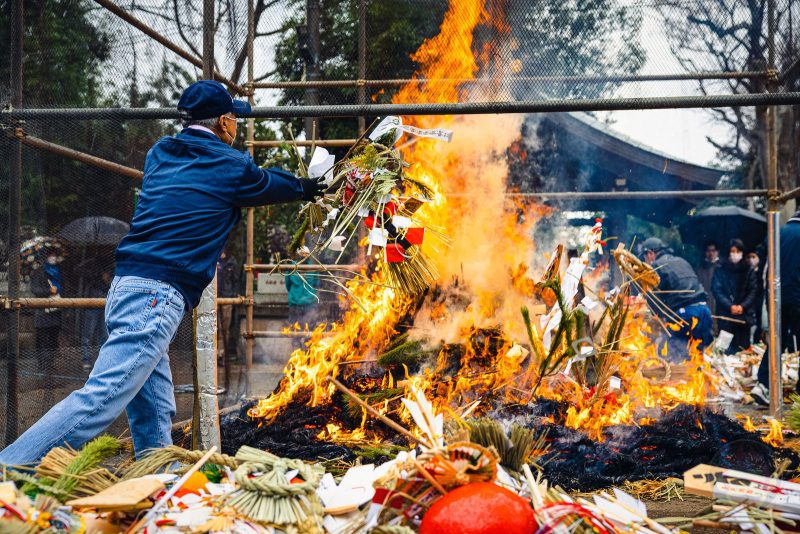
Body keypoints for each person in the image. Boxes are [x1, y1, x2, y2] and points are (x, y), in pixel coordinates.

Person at [0, 80, 325, 465]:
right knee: (102, 396)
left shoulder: (160, 153)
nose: (237, 126)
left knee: (154, 406)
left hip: (127, 286)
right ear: (223, 121)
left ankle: (161, 481)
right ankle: (11, 469)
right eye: (235, 118)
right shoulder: (230, 165)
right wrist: (311, 187)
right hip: (157, 294)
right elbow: (270, 184)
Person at [751, 210, 800, 405]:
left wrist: (768, 299)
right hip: (797, 297)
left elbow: (766, 269)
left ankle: (763, 385)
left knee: (775, 342)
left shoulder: (777, 233)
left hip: (776, 298)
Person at [641, 237, 713, 361]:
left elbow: (653, 302)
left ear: (650, 253)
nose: (646, 261)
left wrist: (651, 320)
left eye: (645, 257)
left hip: (685, 316)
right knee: (697, 355)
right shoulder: (681, 260)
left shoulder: (657, 267)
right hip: (704, 311)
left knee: (672, 356)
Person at [711, 239, 758, 355]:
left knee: (743, 351)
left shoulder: (748, 270)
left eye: (738, 251)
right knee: (722, 350)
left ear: (742, 252)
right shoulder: (721, 270)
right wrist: (729, 306)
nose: (735, 254)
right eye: (732, 251)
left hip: (743, 317)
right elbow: (717, 290)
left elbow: (753, 290)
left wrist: (742, 306)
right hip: (726, 315)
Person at [30, 251, 63, 377]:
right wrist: (48, 290)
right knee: (43, 340)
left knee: (53, 340)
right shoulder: (38, 272)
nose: (53, 257)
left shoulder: (58, 272)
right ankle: (43, 366)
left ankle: (49, 365)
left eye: (54, 255)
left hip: (56, 311)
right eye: (50, 255)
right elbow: (34, 289)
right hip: (42, 312)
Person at [80, 268, 112, 371]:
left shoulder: (109, 283)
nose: (107, 276)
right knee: (88, 336)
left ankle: (103, 361)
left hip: (103, 310)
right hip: (92, 311)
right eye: (106, 274)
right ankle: (86, 360)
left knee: (104, 336)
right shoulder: (94, 282)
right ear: (102, 273)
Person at [217, 248, 240, 361]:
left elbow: (236, 280)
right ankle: (212, 354)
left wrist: (234, 296)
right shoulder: (213, 258)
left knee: (224, 329)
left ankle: (221, 354)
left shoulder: (231, 262)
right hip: (212, 298)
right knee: (213, 329)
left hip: (226, 298)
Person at [696, 241, 719, 317]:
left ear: (717, 252)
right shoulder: (699, 269)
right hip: (705, 303)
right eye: (708, 251)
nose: (711, 253)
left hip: (719, 304)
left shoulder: (722, 268)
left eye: (713, 251)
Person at [747, 248, 765, 344]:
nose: (751, 260)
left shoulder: (762, 272)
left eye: (753, 257)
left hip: (759, 301)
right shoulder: (744, 272)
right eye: (749, 257)